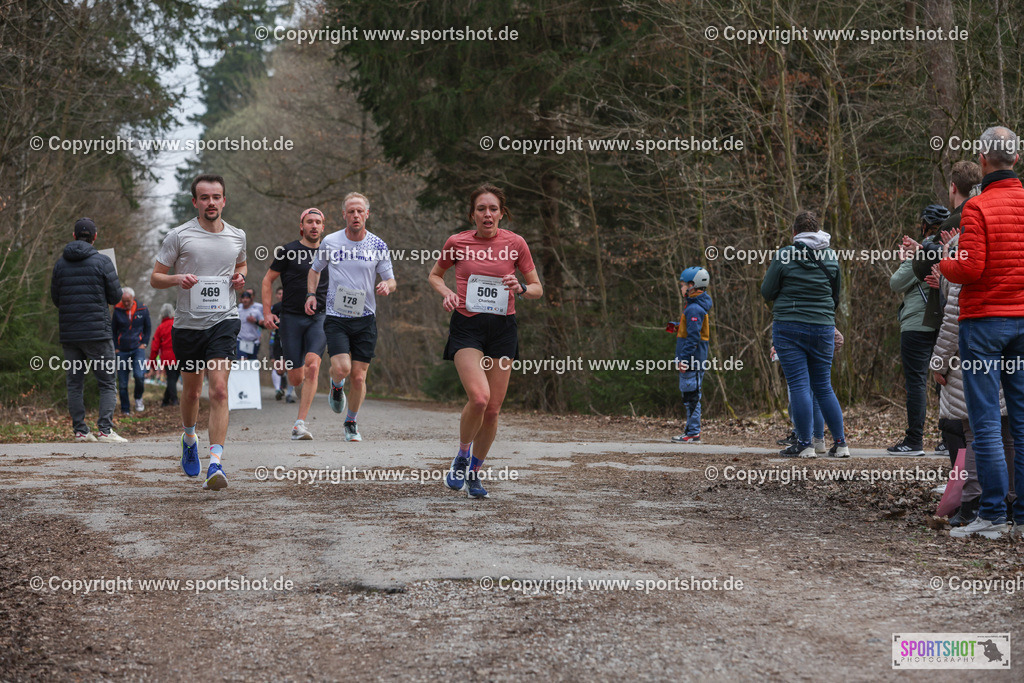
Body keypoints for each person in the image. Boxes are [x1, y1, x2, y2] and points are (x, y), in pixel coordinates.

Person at [428, 184, 542, 498]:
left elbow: (537, 288)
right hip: (467, 326)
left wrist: (519, 287)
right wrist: (447, 293)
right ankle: (462, 456)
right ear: (473, 214)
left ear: (502, 213)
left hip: (503, 328)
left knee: (492, 409)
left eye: (493, 209)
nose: (487, 214)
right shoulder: (457, 242)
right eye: (481, 209)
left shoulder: (515, 243)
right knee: (479, 398)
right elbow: (435, 275)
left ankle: (475, 473)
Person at [940, 126, 1024, 540]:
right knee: (1021, 421)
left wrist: (944, 259)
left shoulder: (977, 207)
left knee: (987, 421)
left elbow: (969, 269)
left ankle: (991, 513)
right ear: (1017, 160)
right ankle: (1022, 516)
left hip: (985, 322)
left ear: (984, 160)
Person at [150, 173, 246, 491]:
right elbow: (155, 278)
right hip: (188, 326)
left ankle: (215, 463)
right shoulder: (179, 236)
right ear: (195, 202)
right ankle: (189, 437)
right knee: (192, 393)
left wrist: (239, 278)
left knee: (218, 390)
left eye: (216, 197)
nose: (211, 203)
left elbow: (242, 265)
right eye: (204, 198)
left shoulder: (237, 236)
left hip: (224, 320)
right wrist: (179, 279)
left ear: (224, 200)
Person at [306, 193, 395, 442]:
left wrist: (387, 285)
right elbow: (315, 270)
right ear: (344, 215)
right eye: (351, 211)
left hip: (365, 317)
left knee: (358, 376)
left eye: (360, 211)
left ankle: (351, 422)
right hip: (336, 316)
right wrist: (311, 295)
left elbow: (391, 279)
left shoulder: (378, 245)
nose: (355, 215)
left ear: (367, 214)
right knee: (343, 368)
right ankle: (336, 385)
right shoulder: (331, 242)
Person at [761, 210, 848, 458]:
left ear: (795, 233)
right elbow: (836, 296)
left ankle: (805, 443)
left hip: (789, 327)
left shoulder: (785, 255)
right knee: (823, 385)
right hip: (823, 328)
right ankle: (841, 444)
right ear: (817, 230)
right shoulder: (831, 256)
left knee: (799, 383)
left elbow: (767, 291)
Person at [50, 217, 126, 443]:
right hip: (98, 334)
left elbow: (56, 299)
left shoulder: (60, 264)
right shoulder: (102, 262)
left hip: (70, 334)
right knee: (106, 382)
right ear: (94, 237)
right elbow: (115, 297)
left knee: (74, 383)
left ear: (73, 236)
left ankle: (81, 431)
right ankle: (104, 430)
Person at [886, 204, 950, 456]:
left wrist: (909, 260)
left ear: (924, 226)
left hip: (917, 323)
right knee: (946, 380)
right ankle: (948, 439)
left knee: (916, 382)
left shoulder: (922, 251)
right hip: (946, 322)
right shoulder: (953, 247)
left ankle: (914, 440)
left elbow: (896, 282)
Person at [263, 208, 330, 439]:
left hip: (320, 316)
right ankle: (295, 370)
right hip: (290, 318)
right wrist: (267, 313)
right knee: (295, 378)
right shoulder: (288, 251)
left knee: (313, 365)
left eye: (317, 222)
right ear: (301, 226)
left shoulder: (330, 251)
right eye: (309, 222)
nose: (313, 225)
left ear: (323, 227)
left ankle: (299, 424)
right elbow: (267, 280)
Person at [671, 267, 712, 443]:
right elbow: (692, 330)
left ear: (692, 286)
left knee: (691, 396)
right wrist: (677, 325)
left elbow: (694, 337)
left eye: (682, 285)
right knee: (690, 394)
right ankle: (691, 430)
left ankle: (693, 432)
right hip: (693, 359)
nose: (681, 289)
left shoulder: (694, 309)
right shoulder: (694, 307)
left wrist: (683, 360)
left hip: (692, 360)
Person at [112, 286, 152, 414]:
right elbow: (113, 331)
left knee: (139, 376)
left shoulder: (143, 309)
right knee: (123, 383)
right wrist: (116, 348)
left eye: (128, 301)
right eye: (124, 301)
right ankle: (125, 409)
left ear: (133, 299)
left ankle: (138, 398)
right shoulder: (117, 310)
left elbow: (148, 328)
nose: (126, 304)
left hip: (137, 349)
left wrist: (144, 344)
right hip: (122, 350)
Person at [148, 303, 179, 407]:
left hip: (168, 357)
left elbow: (154, 348)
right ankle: (166, 400)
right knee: (173, 378)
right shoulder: (178, 324)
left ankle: (174, 400)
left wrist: (152, 364)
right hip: (180, 355)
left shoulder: (160, 328)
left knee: (171, 378)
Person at [268, 287, 295, 403]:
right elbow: (269, 324)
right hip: (278, 339)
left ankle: (289, 393)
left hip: (293, 339)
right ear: (276, 295)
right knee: (279, 367)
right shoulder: (275, 308)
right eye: (279, 293)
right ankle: (278, 389)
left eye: (283, 293)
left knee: (292, 366)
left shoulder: (294, 306)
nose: (281, 296)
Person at [236, 288, 263, 360]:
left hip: (253, 341)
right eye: (243, 298)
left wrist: (255, 321)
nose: (245, 300)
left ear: (250, 299)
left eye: (247, 298)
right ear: (240, 299)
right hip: (240, 340)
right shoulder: (237, 311)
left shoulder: (256, 311)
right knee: (242, 361)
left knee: (252, 363)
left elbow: (263, 325)